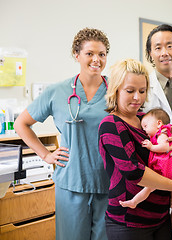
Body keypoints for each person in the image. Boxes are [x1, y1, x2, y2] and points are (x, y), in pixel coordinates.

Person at [14, 28, 111, 240]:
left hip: (108, 182)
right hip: (70, 183)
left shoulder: (116, 91)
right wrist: (46, 155)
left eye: (102, 54)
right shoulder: (57, 92)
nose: (97, 59)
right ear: (77, 55)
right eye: (90, 53)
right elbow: (21, 124)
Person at [98, 59, 172, 240]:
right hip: (130, 222)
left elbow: (167, 139)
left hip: (160, 217)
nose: (137, 97)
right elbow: (133, 171)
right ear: (116, 90)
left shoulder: (145, 119)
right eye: (130, 91)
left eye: (142, 91)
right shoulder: (111, 125)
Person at [119, 108, 172, 209]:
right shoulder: (163, 133)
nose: (144, 130)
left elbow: (165, 147)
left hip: (164, 168)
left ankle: (134, 201)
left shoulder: (162, 133)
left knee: (148, 188)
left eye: (146, 126)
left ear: (159, 123)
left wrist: (151, 147)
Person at [142, 24, 172, 124]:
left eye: (170, 46)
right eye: (158, 48)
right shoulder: (142, 88)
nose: (164, 53)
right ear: (150, 53)